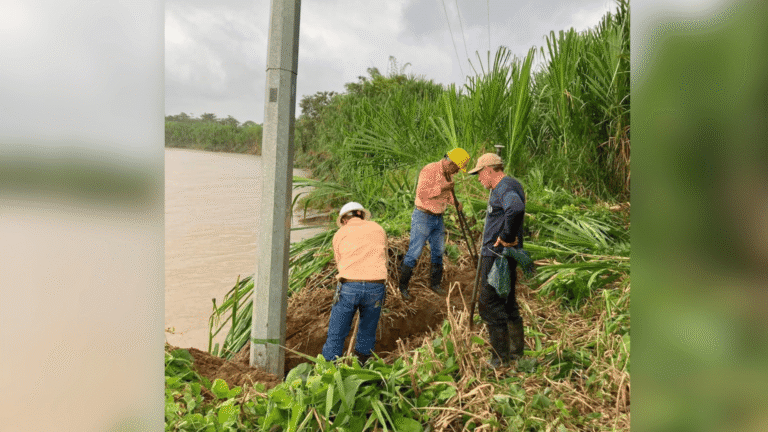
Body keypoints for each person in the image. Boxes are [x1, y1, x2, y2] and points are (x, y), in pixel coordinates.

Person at [468, 153, 527, 368]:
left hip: (496, 256)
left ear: (489, 170)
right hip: (505, 255)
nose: (478, 179)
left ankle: (500, 359)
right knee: (508, 300)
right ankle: (516, 353)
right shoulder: (510, 184)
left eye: (479, 174)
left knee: (490, 303)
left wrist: (506, 237)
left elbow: (516, 208)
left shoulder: (503, 187)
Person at [398, 148, 470, 300]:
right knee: (414, 252)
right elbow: (422, 194)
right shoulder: (429, 170)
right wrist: (442, 187)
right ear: (450, 162)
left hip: (438, 218)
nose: (456, 172)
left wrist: (454, 202)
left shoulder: (448, 174)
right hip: (423, 216)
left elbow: (446, 196)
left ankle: (435, 284)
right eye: (456, 168)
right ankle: (403, 287)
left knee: (438, 251)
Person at [322, 202, 387, 365]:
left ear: (344, 220)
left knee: (337, 334)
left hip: (349, 286)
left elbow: (340, 263)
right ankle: (362, 369)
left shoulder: (340, 234)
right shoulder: (378, 229)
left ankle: (330, 370)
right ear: (362, 215)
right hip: (376, 286)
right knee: (367, 332)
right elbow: (384, 257)